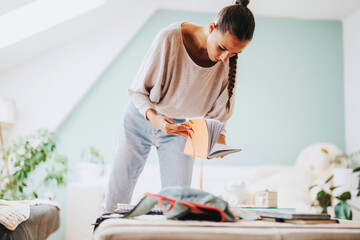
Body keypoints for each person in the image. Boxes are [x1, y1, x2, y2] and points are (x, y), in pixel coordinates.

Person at [103, 0, 255, 213]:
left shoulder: (228, 63)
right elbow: (138, 92)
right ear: (212, 27)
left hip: (181, 129)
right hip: (140, 119)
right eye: (222, 48)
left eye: (233, 53)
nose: (224, 58)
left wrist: (217, 142)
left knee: (178, 207)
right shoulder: (170, 37)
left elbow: (218, 116)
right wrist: (156, 119)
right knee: (115, 199)